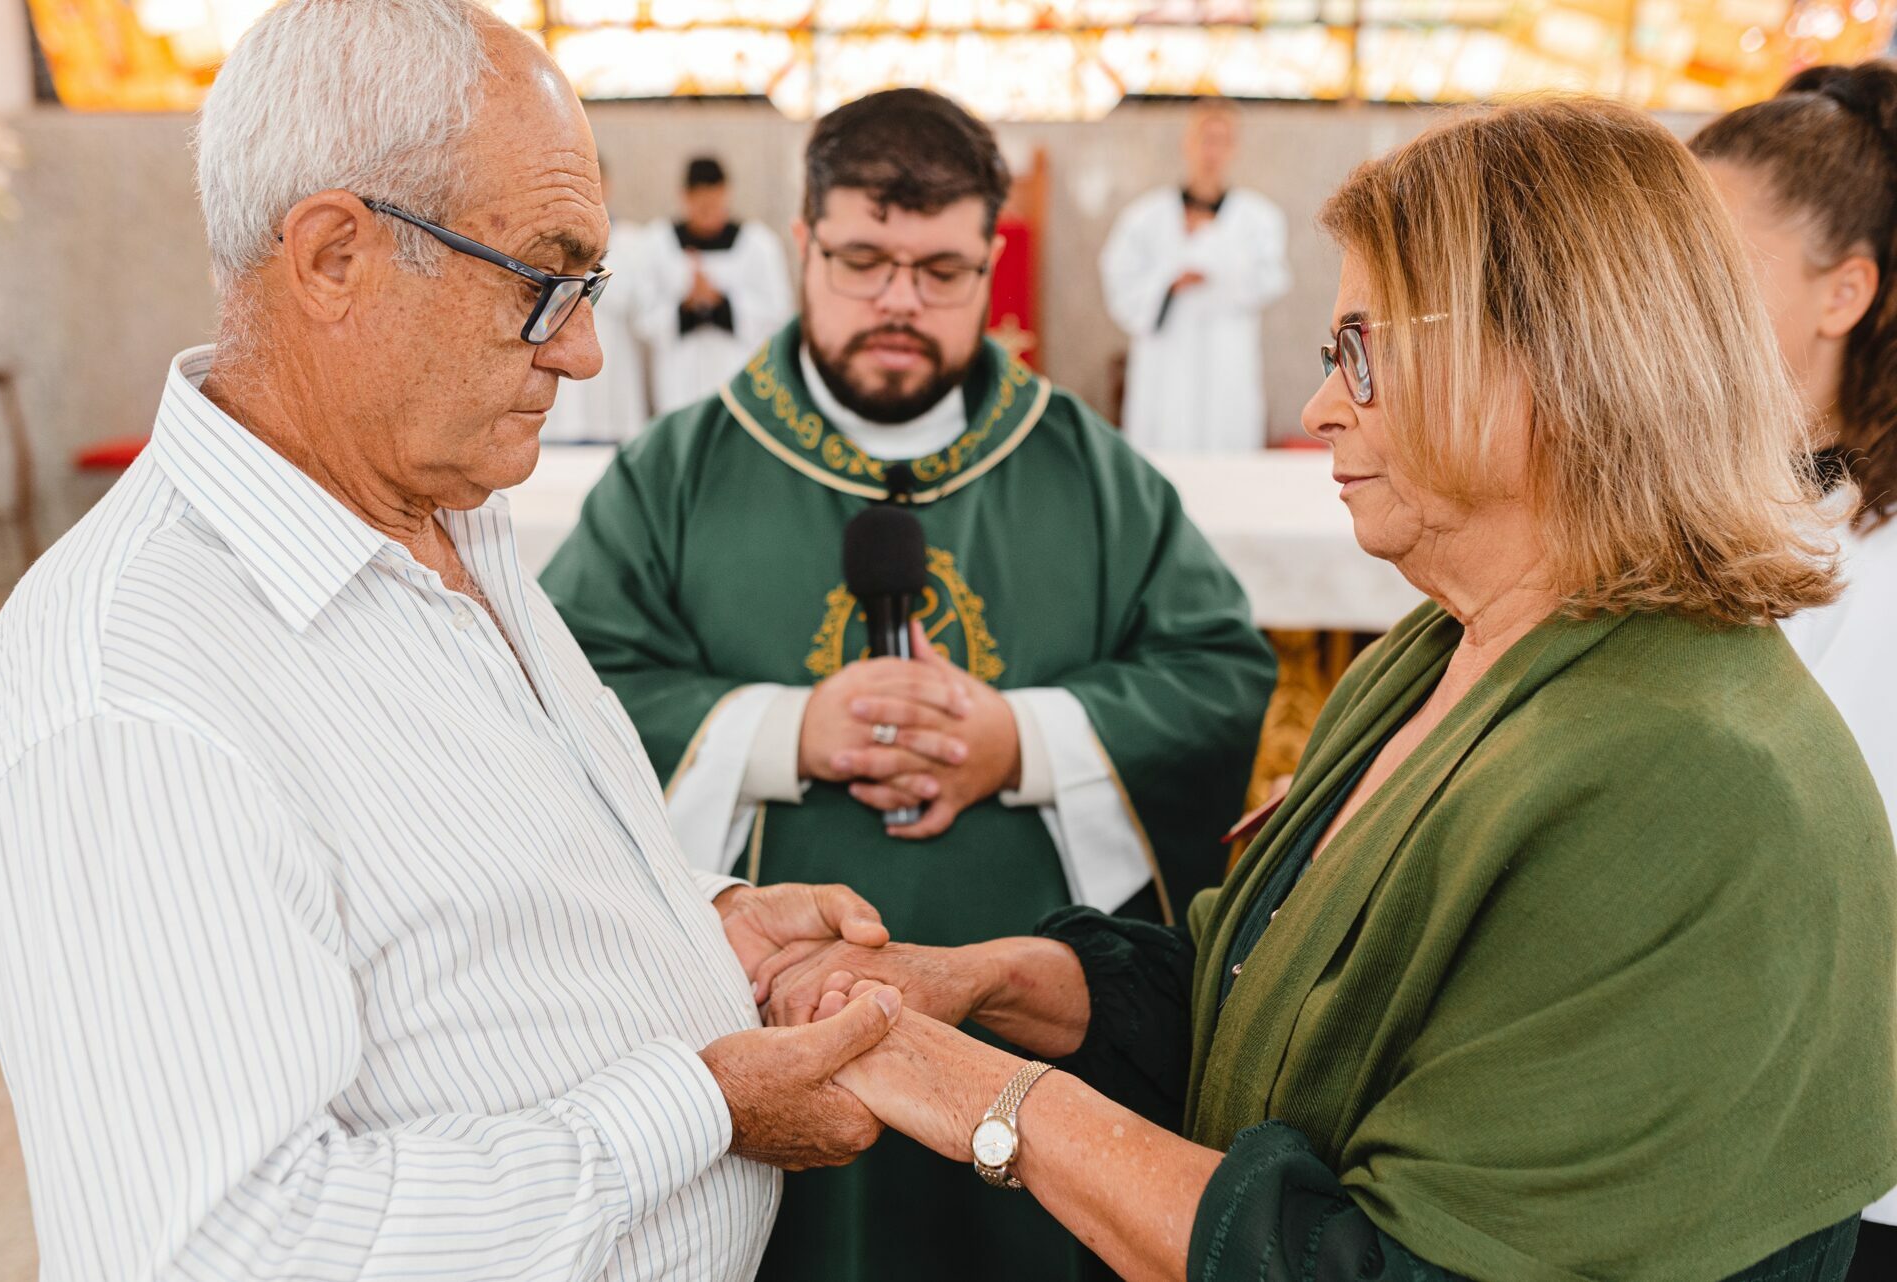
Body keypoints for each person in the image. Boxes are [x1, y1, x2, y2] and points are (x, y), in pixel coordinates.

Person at [762, 98, 1897, 1281]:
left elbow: (1388, 1264)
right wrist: (981, 980)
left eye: (1362, 349)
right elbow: (1258, 992)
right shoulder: (1443, 649)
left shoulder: (1682, 785)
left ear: (1557, 360)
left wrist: (981, 1097)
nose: (1320, 409)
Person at [0, 3, 906, 1278]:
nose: (583, 350)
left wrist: (701, 926)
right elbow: (231, 1247)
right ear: (333, 258)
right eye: (543, 280)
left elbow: (463, 898)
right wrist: (703, 1105)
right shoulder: (127, 696)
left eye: (590, 288)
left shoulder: (446, 513)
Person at [542, 87, 1275, 1282]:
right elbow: (556, 698)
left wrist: (1021, 740)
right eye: (863, 261)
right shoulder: (681, 469)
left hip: (1035, 1051)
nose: (899, 301)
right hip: (753, 1028)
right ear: (803, 244)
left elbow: (1217, 672)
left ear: (991, 262)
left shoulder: (1086, 469)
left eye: (941, 271)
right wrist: (784, 731)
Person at [1694, 60, 1897, 1282]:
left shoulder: (1881, 563)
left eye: (1716, 265)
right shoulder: (1766, 502)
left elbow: (1816, 853)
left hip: (1845, 1170)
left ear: (1847, 292)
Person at [1100, 102, 1290, 452]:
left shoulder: (1258, 219)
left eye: (1222, 141)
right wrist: (1168, 283)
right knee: (1166, 441)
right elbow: (1119, 279)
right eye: (1205, 139)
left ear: (1234, 148)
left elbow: (1271, 279)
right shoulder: (1145, 217)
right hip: (1167, 357)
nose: (1211, 151)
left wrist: (1220, 266)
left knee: (1226, 446)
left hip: (1227, 352)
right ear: (1187, 144)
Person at [635, 156, 791, 414]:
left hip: (738, 374)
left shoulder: (758, 244)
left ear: (726, 193)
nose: (708, 215)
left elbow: (778, 313)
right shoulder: (658, 244)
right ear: (685, 197)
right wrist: (686, 305)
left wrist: (721, 303)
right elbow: (643, 319)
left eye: (715, 205)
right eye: (701, 207)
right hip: (678, 382)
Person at [542, 213, 650, 443]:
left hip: (613, 371)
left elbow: (644, 308)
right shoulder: (548, 235)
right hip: (561, 392)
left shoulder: (630, 241)